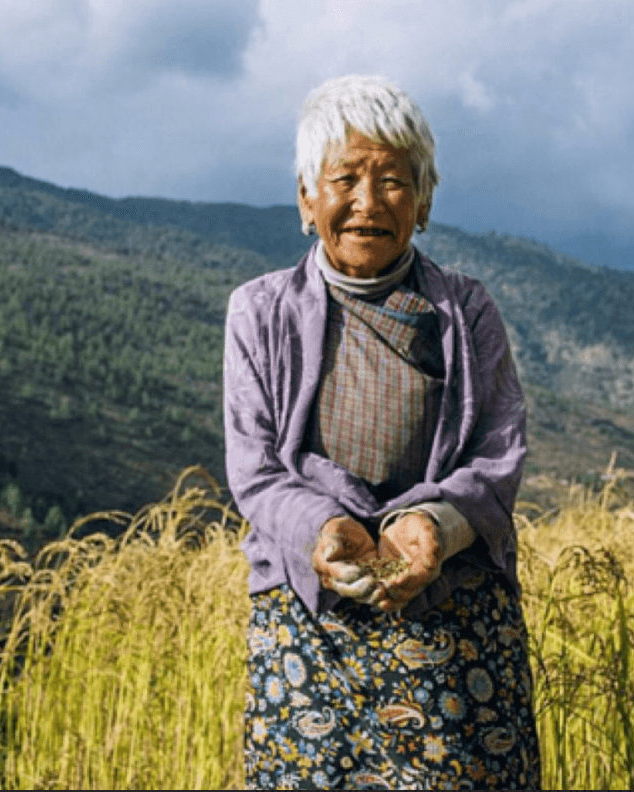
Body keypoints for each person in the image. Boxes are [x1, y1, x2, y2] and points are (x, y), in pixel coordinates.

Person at [224, 74, 540, 790]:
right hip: (309, 625)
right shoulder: (259, 312)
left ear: (423, 204)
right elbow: (255, 470)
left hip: (452, 627)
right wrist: (325, 531)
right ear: (307, 199)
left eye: (394, 181)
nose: (368, 202)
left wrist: (433, 527)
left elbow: (499, 454)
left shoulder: (468, 311)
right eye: (345, 179)